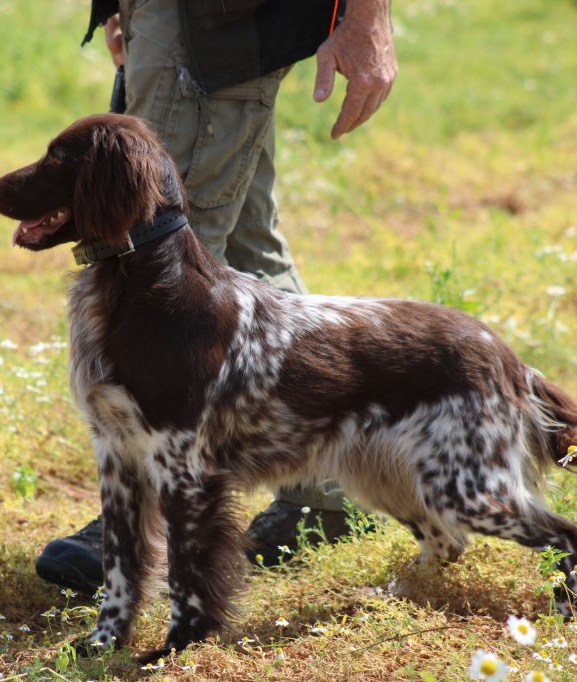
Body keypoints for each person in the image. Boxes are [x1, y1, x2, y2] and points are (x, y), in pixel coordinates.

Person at [35, 0, 398, 594]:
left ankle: (137, 524)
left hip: (213, 25)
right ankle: (325, 492)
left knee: (168, 250)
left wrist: (366, 17)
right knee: (249, 250)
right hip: (181, 20)